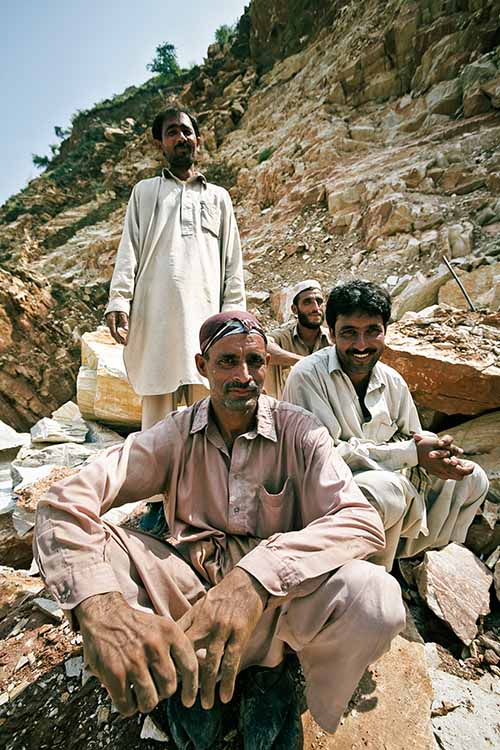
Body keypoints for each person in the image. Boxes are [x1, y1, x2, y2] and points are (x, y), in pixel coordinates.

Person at [34, 311, 405, 749]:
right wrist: (101, 609)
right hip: (187, 599)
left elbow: (358, 519)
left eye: (255, 361)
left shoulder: (299, 431)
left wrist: (256, 577)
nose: (243, 376)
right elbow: (62, 503)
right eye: (228, 361)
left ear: (268, 365)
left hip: (277, 605)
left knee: (378, 599)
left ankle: (274, 668)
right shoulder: (174, 434)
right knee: (95, 551)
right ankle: (173, 661)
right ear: (202, 366)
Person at [283, 280, 489, 570]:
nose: (361, 345)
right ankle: (375, 574)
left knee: (472, 478)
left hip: (391, 490)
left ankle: (426, 561)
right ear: (331, 334)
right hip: (326, 495)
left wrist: (436, 453)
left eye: (372, 332)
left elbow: (412, 437)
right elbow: (321, 457)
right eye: (349, 334)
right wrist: (410, 453)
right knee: (386, 488)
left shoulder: (391, 380)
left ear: (385, 332)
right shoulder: (306, 376)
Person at [105, 106, 245, 430]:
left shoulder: (219, 197)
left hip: (206, 320)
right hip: (156, 318)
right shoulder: (144, 192)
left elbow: (232, 262)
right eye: (172, 132)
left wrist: (235, 316)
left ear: (198, 140)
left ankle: (204, 478)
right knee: (156, 423)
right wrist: (118, 300)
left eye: (186, 131)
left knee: (208, 413)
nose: (181, 137)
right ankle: (155, 479)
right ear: (160, 144)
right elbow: (129, 249)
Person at [265, 280, 331, 399]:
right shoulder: (282, 338)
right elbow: (261, 346)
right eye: (307, 302)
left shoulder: (333, 339)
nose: (316, 308)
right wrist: (306, 363)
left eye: (319, 302)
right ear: (295, 309)